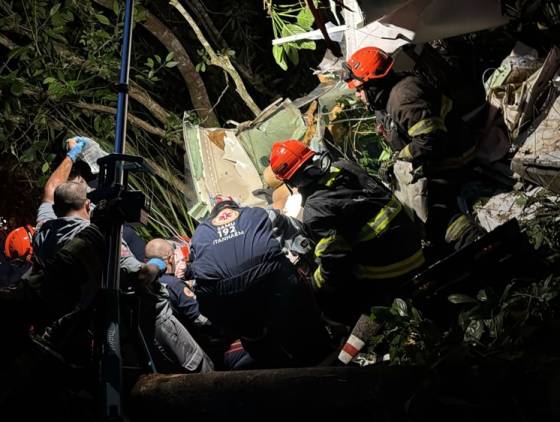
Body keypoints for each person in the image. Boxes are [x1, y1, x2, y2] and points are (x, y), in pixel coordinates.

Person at [343, 46, 484, 253]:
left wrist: (402, 158)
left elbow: (430, 140)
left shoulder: (403, 98)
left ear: (373, 84)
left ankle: (475, 243)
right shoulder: (385, 100)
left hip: (455, 157)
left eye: (359, 89)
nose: (357, 95)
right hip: (436, 157)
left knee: (433, 211)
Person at [269, 140, 425, 323]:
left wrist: (315, 285)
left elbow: (335, 264)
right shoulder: (344, 166)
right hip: (414, 244)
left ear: (291, 181)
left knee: (338, 301)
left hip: (391, 270)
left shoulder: (315, 210)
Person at [189, 196, 332, 368]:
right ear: (236, 206)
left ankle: (270, 363)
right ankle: (322, 351)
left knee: (250, 333)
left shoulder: (199, 233)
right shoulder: (256, 212)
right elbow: (290, 226)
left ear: (213, 214)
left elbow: (197, 265)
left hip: (225, 293)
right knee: (299, 306)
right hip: (270, 276)